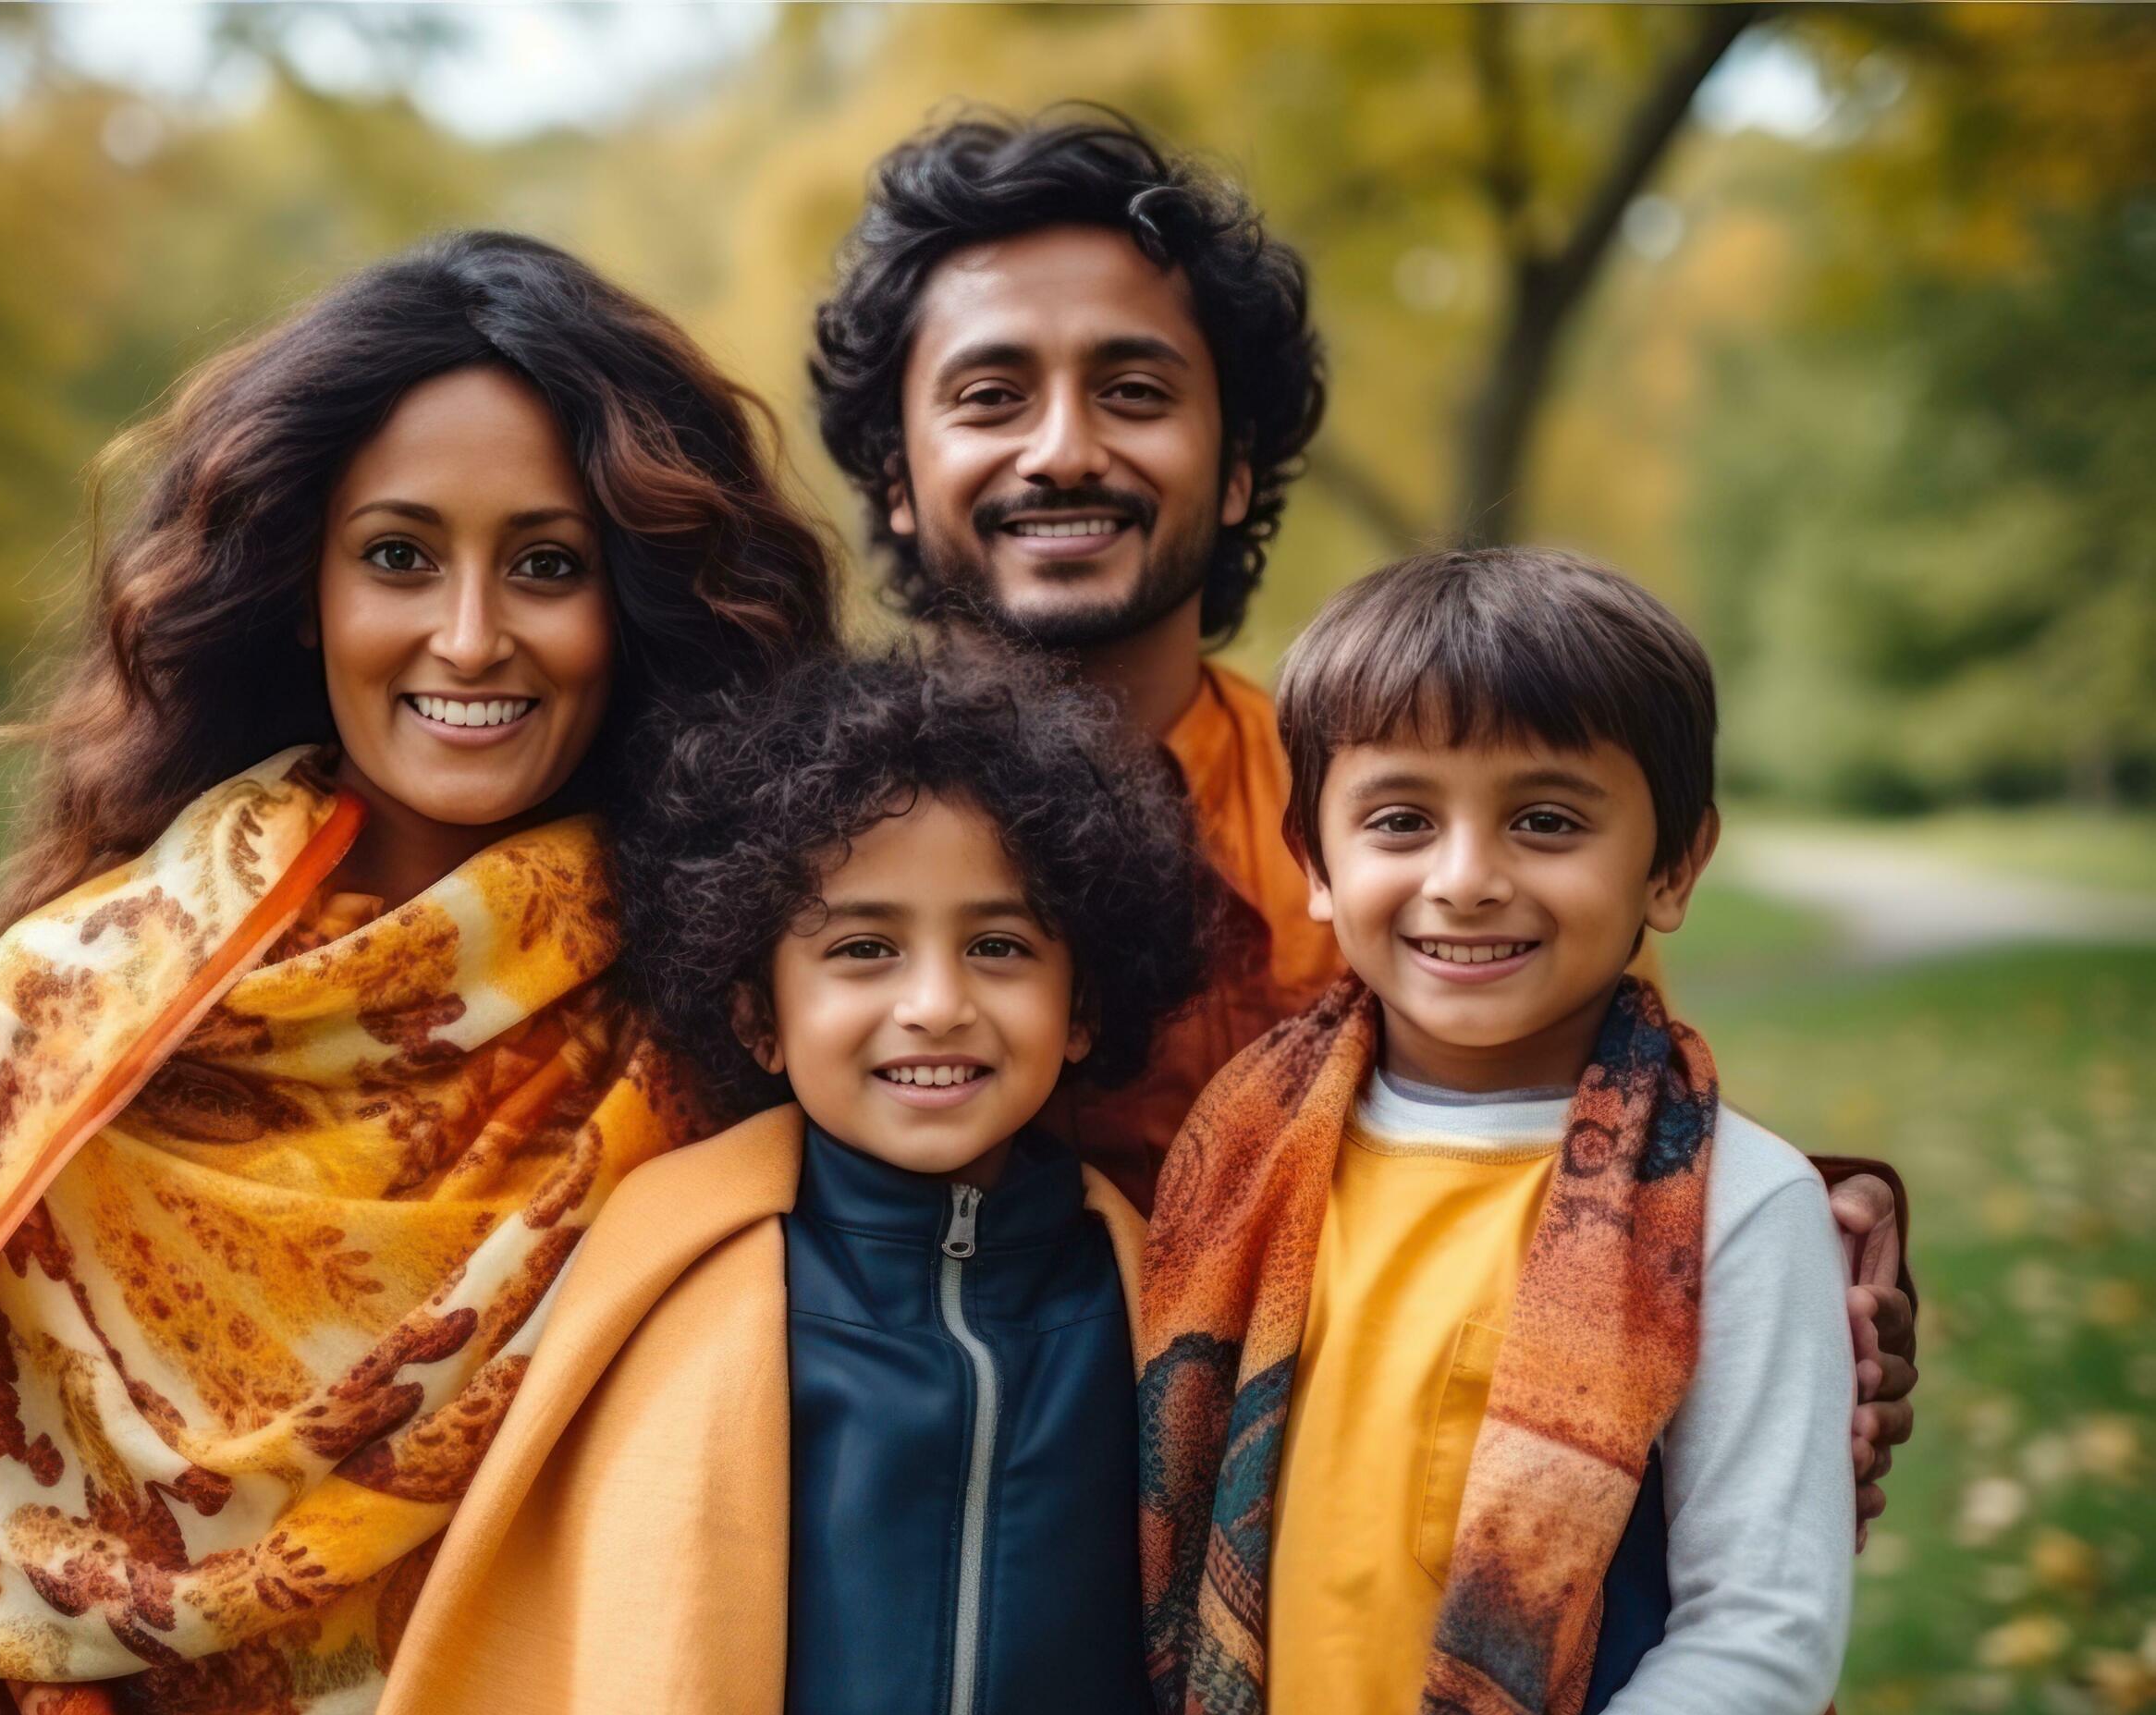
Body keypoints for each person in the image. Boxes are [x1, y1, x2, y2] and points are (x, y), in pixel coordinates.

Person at [0, 231, 839, 1715]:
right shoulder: (72, 1009)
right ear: (298, 588)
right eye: (399, 556)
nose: (471, 637)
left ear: (639, 603)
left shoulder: (731, 1017)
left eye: (547, 563)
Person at [806, 103, 1917, 1529]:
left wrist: (1801, 1286)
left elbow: (1605, 1195)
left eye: (1136, 392)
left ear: (1242, 468)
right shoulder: (782, 842)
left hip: (1332, 1600)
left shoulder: (1381, 835)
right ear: (898, 482)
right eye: (991, 396)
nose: (1065, 449)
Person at [353, 651, 1204, 1715]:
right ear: (758, 1013)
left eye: (999, 946)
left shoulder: (1158, 1310)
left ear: (1082, 1005)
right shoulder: (665, 1287)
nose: (936, 1003)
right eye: (864, 949)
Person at [1140, 547, 1856, 1715]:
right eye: (1402, 819)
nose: (1466, 875)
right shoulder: (1243, 1158)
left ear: (1675, 865)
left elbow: (1765, 1632)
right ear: (1315, 859)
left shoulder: (1736, 1207)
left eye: (1548, 819)